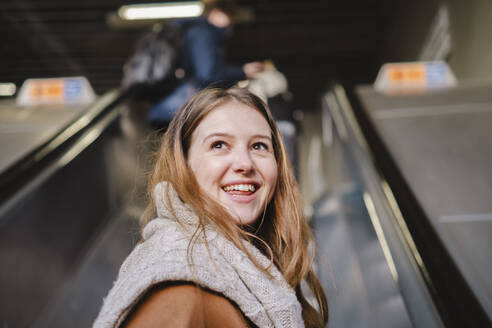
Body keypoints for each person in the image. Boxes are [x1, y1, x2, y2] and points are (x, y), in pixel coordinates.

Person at [94, 87, 328, 328]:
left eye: (259, 146)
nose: (245, 163)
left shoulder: (259, 264)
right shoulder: (180, 283)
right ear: (183, 165)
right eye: (219, 145)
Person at [147, 0, 264, 124]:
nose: (230, 27)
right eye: (229, 18)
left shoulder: (195, 32)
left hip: (173, 108)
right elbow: (208, 75)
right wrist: (242, 71)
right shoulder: (202, 34)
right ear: (215, 13)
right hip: (185, 107)